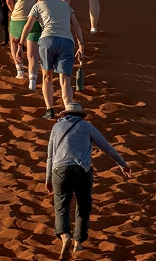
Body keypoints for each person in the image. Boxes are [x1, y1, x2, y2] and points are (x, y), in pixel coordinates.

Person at [45, 102, 133, 258]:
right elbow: (107, 147)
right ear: (81, 115)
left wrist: (48, 178)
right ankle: (78, 243)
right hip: (82, 170)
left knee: (61, 206)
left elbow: (50, 156)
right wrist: (122, 165)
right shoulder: (86, 126)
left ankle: (65, 236)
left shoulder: (56, 128)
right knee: (83, 205)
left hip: (59, 170)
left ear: (65, 114)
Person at [20, 0, 84, 119]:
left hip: (47, 40)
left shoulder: (38, 5)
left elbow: (28, 25)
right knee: (65, 79)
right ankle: (68, 110)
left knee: (46, 76)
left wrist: (21, 44)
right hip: (67, 41)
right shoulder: (65, 5)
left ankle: (50, 110)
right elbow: (76, 25)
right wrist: (81, 45)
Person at [3, 0, 56, 81]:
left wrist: (14, 12)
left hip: (19, 16)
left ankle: (20, 71)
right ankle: (32, 80)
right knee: (33, 51)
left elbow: (9, 0)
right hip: (39, 18)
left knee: (14, 41)